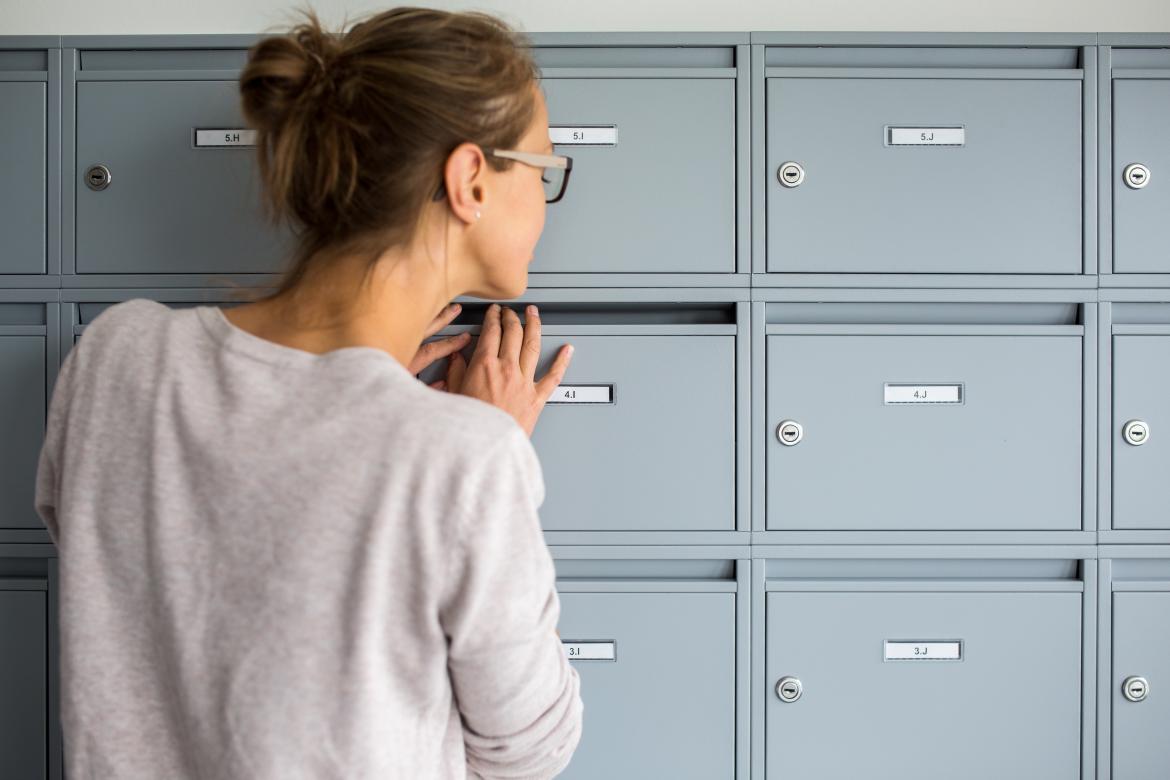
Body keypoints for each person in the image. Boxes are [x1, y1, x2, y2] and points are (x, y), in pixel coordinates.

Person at [34, 6, 584, 778]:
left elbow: (144, 575)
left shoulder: (116, 356)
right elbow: (533, 749)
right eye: (543, 168)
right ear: (469, 181)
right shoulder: (465, 454)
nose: (545, 197)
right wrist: (457, 448)